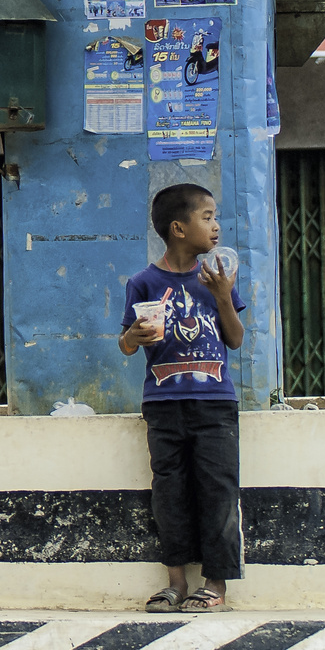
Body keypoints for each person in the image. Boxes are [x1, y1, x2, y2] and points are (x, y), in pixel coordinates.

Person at [119, 183, 244, 614]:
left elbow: (235, 338)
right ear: (178, 228)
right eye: (206, 217)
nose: (215, 225)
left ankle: (215, 585)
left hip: (215, 404)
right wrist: (131, 337)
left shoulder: (217, 279)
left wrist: (224, 297)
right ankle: (175, 582)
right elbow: (128, 345)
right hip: (163, 404)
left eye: (214, 217)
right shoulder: (144, 283)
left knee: (218, 490)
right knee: (168, 491)